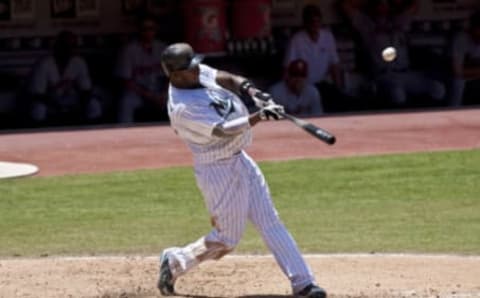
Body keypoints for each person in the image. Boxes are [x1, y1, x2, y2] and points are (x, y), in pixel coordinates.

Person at [156, 43, 327, 298]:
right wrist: (260, 116)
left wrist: (254, 92)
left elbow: (227, 78)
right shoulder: (182, 107)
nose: (198, 70)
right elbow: (224, 129)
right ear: (176, 75)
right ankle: (174, 261)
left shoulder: (192, 73)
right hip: (218, 170)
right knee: (227, 240)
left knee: (270, 220)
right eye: (191, 68)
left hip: (240, 159)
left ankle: (303, 283)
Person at [341, 0, 446, 105]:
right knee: (397, 93)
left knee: (438, 89)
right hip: (384, 75)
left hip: (406, 73)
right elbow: (345, 5)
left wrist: (396, 3)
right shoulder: (366, 24)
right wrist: (369, 2)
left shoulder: (399, 21)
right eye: (380, 4)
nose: (383, 7)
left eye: (386, 4)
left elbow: (414, 5)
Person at [29, 30, 101, 124]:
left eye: (72, 46)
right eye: (65, 46)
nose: (68, 49)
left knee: (94, 104)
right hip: (50, 100)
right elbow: (37, 94)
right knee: (39, 108)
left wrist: (81, 103)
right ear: (57, 46)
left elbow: (86, 90)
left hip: (71, 99)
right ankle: (39, 133)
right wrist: (56, 106)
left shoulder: (79, 62)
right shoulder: (45, 63)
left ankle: (91, 133)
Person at [115, 14, 167, 123]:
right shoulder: (129, 50)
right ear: (139, 30)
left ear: (156, 30)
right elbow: (126, 81)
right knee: (126, 102)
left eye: (151, 28)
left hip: (159, 91)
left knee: (181, 100)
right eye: (144, 29)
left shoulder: (163, 48)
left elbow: (173, 77)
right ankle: (123, 134)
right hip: (137, 92)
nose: (148, 32)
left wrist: (164, 93)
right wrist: (149, 95)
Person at [449, 10, 480, 106]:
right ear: (474, 28)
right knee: (458, 83)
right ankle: (453, 112)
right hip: (458, 78)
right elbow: (457, 72)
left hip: (474, 75)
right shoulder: (460, 38)